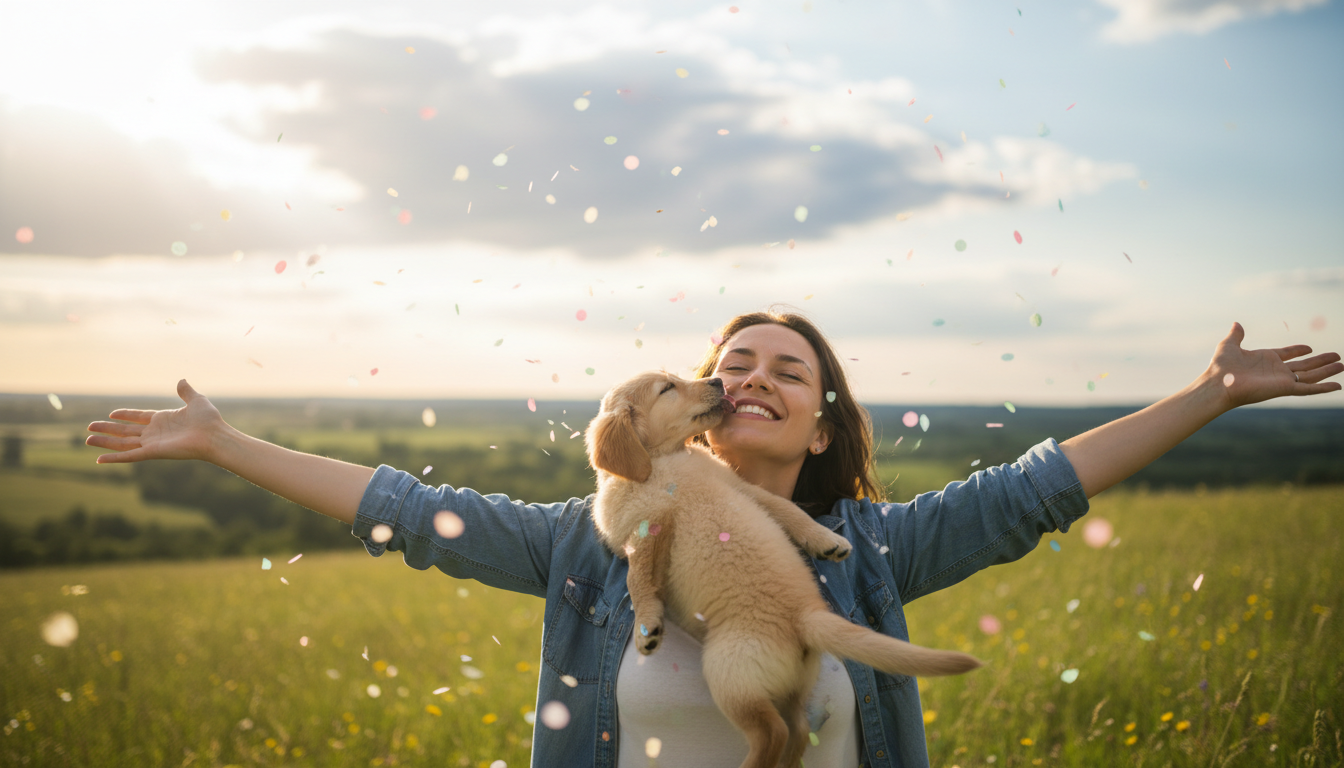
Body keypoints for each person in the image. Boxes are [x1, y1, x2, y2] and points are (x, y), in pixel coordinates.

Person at [85, 310, 1341, 768]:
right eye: (732, 362)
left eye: (788, 369)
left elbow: (1034, 490)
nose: (752, 378)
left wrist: (1210, 395)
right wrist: (226, 445)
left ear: (821, 422)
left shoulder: (869, 552)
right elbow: (410, 512)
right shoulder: (591, 545)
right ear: (690, 407)